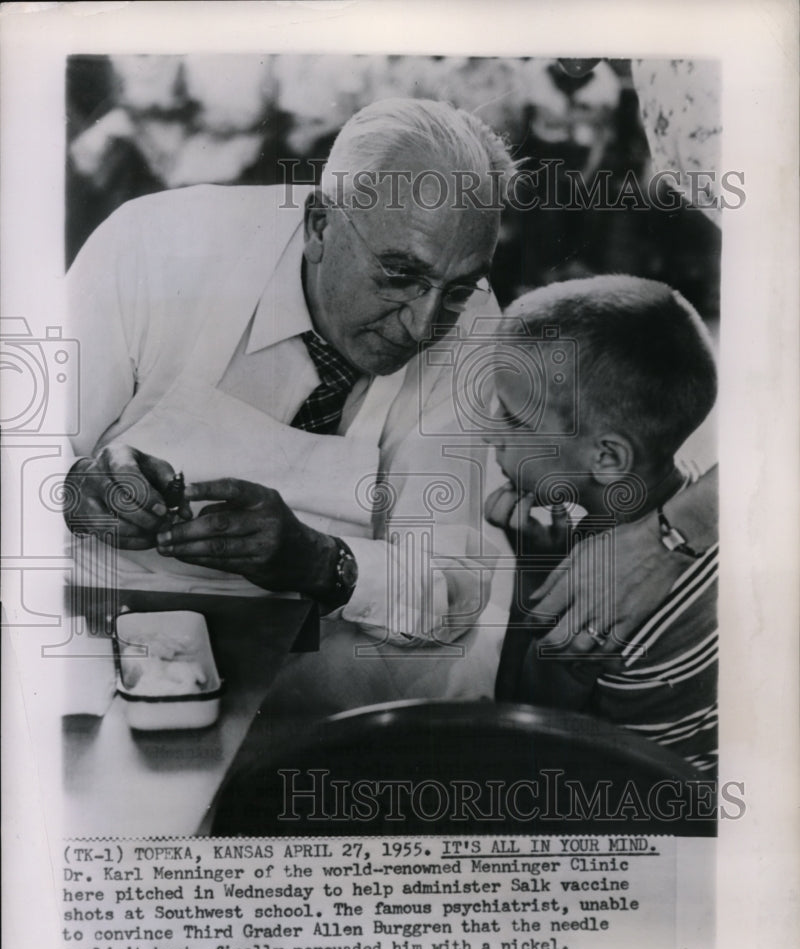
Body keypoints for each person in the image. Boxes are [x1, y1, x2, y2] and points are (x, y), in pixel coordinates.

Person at [63, 97, 518, 705]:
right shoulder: (156, 246)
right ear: (319, 226)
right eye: (399, 274)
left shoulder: (471, 323)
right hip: (113, 610)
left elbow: (448, 575)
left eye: (456, 289)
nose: (422, 323)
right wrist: (74, 489)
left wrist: (323, 564)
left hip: (328, 641)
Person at [485, 275, 718, 772]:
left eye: (512, 418)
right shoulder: (690, 492)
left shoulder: (618, 612)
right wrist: (543, 566)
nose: (489, 430)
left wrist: (537, 600)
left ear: (607, 457)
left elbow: (523, 743)